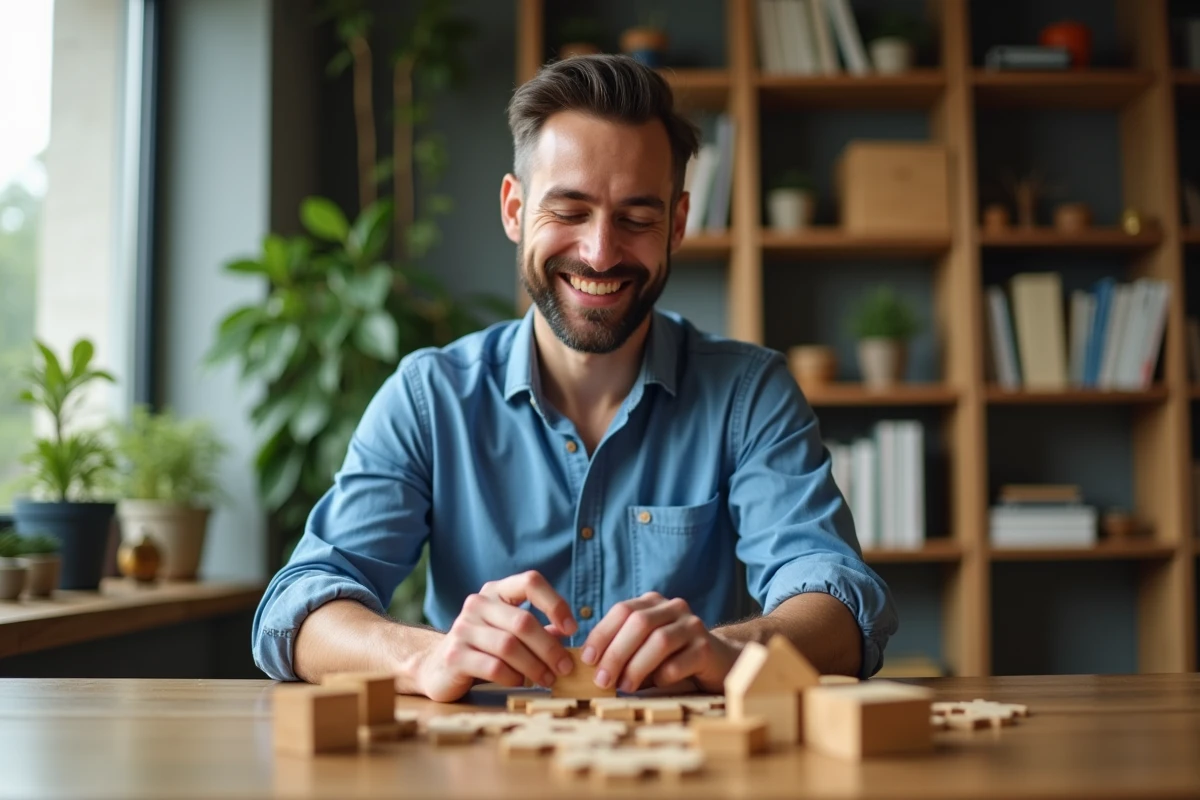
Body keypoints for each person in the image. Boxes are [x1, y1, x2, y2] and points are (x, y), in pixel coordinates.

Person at [251, 54, 897, 702]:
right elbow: (298, 610)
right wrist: (424, 657)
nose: (600, 253)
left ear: (676, 225)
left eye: (636, 219)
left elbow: (842, 605)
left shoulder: (748, 395)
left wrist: (731, 651)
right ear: (514, 209)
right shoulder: (428, 398)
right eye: (568, 211)